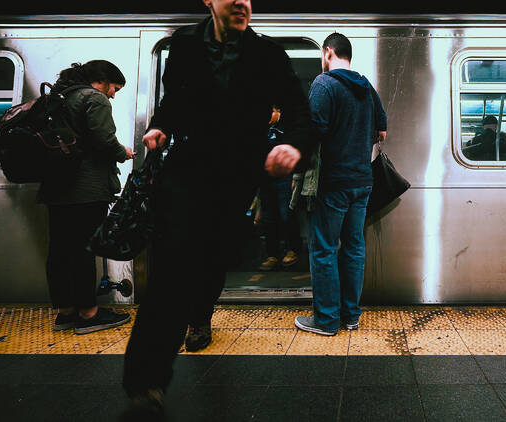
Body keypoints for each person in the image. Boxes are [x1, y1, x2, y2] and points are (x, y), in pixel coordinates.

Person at [121, 0, 313, 418]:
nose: (243, 3)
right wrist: (160, 126)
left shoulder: (267, 55)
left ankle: (198, 319)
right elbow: (173, 102)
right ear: (210, 1)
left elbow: (301, 113)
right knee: (171, 270)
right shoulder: (185, 45)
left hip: (236, 181)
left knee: (209, 264)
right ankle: (146, 381)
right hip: (186, 175)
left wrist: (292, 144)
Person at [294, 32, 387, 336]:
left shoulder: (324, 84)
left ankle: (325, 320)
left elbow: (314, 130)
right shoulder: (365, 85)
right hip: (363, 180)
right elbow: (382, 130)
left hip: (334, 182)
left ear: (328, 52)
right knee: (354, 248)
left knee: (323, 249)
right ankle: (351, 316)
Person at [37, 60, 135, 335]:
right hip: (86, 190)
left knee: (59, 250)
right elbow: (104, 140)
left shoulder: (60, 97)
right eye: (115, 87)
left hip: (56, 188)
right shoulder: (94, 98)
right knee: (83, 251)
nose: (113, 94)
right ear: (103, 81)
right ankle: (89, 315)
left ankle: (66, 312)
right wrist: (123, 152)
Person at [258, 106, 303, 271]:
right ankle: (272, 254)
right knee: (269, 217)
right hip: (265, 178)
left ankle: (293, 249)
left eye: (272, 112)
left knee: (286, 215)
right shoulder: (260, 129)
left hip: (284, 177)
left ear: (279, 112)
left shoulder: (286, 129)